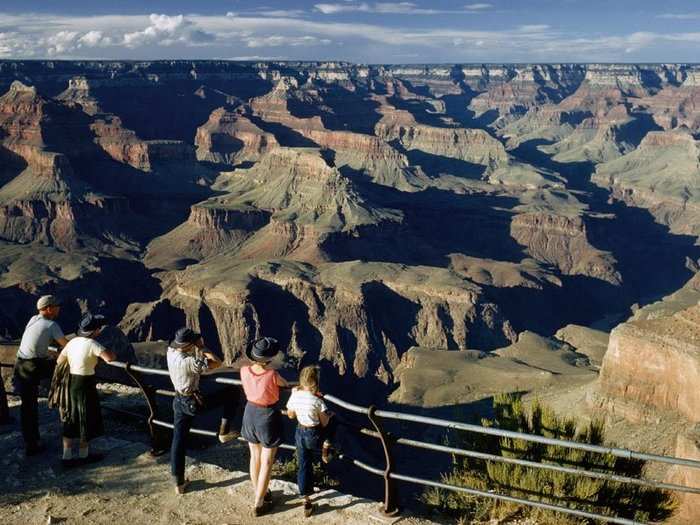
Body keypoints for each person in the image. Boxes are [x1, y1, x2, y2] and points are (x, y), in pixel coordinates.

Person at [167, 327, 239, 495]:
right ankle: (224, 431)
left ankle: (178, 483)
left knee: (178, 441)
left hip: (178, 399)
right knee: (232, 392)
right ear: (189, 344)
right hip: (192, 402)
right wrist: (202, 348)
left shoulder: (170, 352)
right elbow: (216, 362)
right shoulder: (189, 362)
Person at [57, 313, 116, 467]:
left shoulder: (72, 342)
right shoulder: (92, 344)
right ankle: (84, 455)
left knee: (70, 417)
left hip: (71, 382)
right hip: (85, 383)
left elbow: (59, 360)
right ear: (95, 331)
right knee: (85, 417)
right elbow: (109, 358)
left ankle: (67, 457)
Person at [13, 295, 69, 455]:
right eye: (57, 305)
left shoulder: (33, 319)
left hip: (21, 364)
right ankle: (66, 405)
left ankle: (31, 441)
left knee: (27, 406)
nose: (59, 308)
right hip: (33, 365)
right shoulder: (52, 324)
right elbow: (67, 345)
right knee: (65, 372)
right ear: (49, 308)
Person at [240, 337, 288, 517]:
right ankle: (259, 503)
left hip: (249, 413)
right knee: (267, 461)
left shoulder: (244, 370)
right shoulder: (272, 375)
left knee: (255, 457)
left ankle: (260, 491)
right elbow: (283, 385)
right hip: (267, 416)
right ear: (270, 358)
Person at [286, 365, 337, 517]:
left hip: (299, 433)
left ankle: (306, 501)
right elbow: (325, 423)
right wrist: (329, 414)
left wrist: (295, 394)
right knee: (334, 421)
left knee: (304, 466)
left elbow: (290, 415)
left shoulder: (295, 395)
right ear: (316, 382)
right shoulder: (318, 401)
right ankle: (326, 450)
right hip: (314, 436)